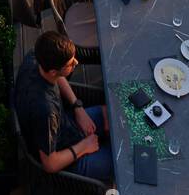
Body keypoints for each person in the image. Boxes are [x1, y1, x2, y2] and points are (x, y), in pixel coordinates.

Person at [12, 31, 113, 184]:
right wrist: (84, 147)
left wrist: (77, 107)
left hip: (68, 125)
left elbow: (59, 77)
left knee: (112, 114)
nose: (76, 63)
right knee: (123, 159)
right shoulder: (46, 111)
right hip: (67, 159)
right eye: (70, 63)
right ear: (53, 70)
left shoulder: (34, 58)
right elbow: (50, 164)